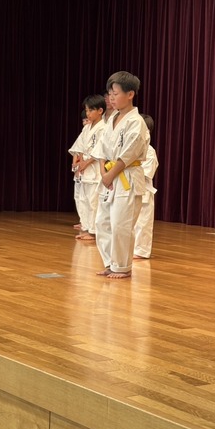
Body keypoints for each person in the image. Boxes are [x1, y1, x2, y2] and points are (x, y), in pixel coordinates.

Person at [92, 71, 150, 279]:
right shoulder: (111, 119)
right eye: (110, 94)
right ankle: (110, 262)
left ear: (130, 94)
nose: (111, 98)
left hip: (126, 176)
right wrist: (103, 172)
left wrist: (110, 174)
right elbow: (101, 148)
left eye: (115, 93)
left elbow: (129, 153)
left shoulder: (136, 122)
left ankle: (122, 267)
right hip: (109, 175)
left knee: (121, 224)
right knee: (102, 222)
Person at [68, 94, 106, 241]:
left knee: (93, 201)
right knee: (84, 200)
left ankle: (94, 231)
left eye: (91, 110)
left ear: (100, 111)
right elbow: (79, 146)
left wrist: (87, 162)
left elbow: (101, 149)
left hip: (95, 168)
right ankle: (86, 227)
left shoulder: (104, 128)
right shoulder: (87, 128)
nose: (88, 113)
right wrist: (78, 162)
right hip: (84, 169)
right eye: (87, 110)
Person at [134, 115, 158, 259]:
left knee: (142, 223)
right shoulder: (130, 149)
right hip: (129, 189)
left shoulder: (149, 151)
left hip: (143, 190)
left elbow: (146, 173)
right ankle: (129, 249)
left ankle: (141, 251)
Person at [70, 110, 90, 230]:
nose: (85, 123)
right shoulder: (84, 132)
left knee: (87, 198)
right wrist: (75, 164)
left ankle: (88, 224)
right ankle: (83, 220)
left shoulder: (98, 130)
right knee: (78, 196)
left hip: (88, 168)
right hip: (79, 167)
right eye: (84, 121)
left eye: (87, 120)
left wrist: (81, 164)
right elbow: (76, 150)